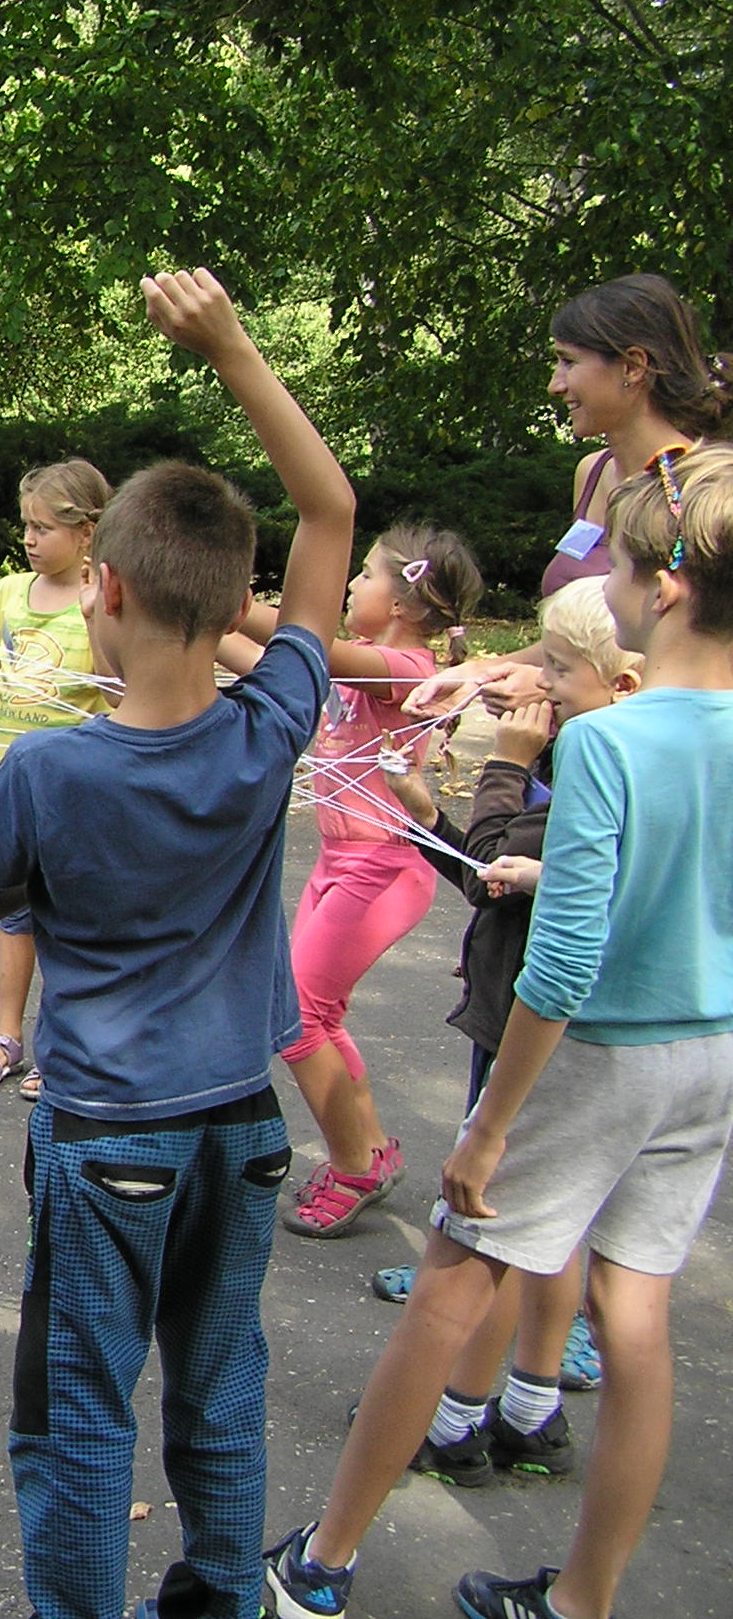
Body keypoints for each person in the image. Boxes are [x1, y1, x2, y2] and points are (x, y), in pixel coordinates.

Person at [0, 267, 356, 1619]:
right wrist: (232, 348)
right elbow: (330, 512)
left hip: (108, 1135)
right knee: (220, 1383)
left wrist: (29, 875)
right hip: (242, 1129)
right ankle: (223, 1594)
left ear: (101, 586)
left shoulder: (47, 774)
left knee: (78, 1410)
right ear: (233, 606)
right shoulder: (269, 723)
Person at [265, 446, 733, 1619]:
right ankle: (580, 1598)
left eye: (616, 565)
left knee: (448, 1281)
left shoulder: (609, 741)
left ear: (665, 588)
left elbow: (562, 966)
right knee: (633, 1316)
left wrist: (488, 1126)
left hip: (595, 1054)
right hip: (705, 1055)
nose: (600, 580)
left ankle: (319, 1562)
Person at [368, 577, 642, 1491]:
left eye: (559, 670)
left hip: (529, 1028)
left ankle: (454, 1423)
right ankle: (531, 1410)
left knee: (491, 1235)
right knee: (552, 1228)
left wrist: (505, 764)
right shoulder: (605, 761)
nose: (540, 684)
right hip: (557, 1024)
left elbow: (496, 862)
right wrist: (426, 816)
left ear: (622, 684)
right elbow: (490, 879)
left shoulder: (589, 777)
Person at [216, 525, 482, 1238]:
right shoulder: (361, 665)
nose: (352, 585)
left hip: (384, 867)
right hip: (341, 862)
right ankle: (368, 1150)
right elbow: (267, 662)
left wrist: (228, 600)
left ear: (403, 603)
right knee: (314, 1014)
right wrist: (200, 620)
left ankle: (354, 1165)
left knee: (298, 1017)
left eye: (364, 575)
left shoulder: (404, 667)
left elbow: (309, 644)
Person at [413, 272, 727, 718]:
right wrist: (483, 672)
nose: (555, 385)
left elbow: (703, 662)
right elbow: (585, 637)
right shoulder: (592, 473)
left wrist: (552, 688)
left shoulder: (706, 494)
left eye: (568, 362)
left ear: (633, 366)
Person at [0, 458, 113, 1101]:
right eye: (27, 526)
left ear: (88, 532)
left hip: (79, 796)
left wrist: (97, 618)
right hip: (11, 790)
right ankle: (6, 1036)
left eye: (44, 528)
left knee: (68, 916)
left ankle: (61, 1044)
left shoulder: (107, 600)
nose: (30, 539)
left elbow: (119, 697)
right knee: (14, 914)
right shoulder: (10, 593)